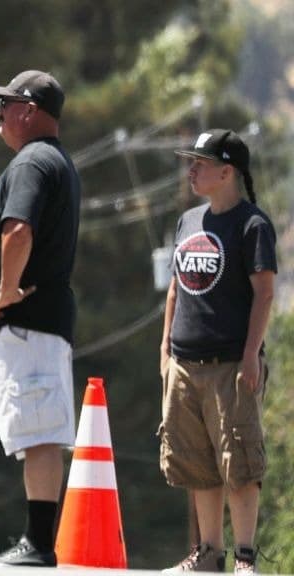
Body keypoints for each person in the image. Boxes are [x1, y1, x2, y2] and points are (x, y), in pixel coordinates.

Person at [0, 70, 81, 568]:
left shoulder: (34, 161)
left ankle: (36, 546)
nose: (0, 113)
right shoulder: (51, 159)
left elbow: (17, 229)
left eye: (7, 104)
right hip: (37, 324)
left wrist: (7, 287)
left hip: (27, 321)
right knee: (38, 432)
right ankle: (36, 543)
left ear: (29, 111)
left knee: (38, 434)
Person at [159, 129, 275, 575]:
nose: (191, 170)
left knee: (239, 460)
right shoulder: (188, 221)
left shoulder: (252, 225)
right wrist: (165, 349)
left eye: (201, 163)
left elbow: (264, 294)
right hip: (184, 365)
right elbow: (175, 290)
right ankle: (209, 553)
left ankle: (244, 558)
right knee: (196, 461)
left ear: (227, 172)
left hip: (230, 366)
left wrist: (250, 355)